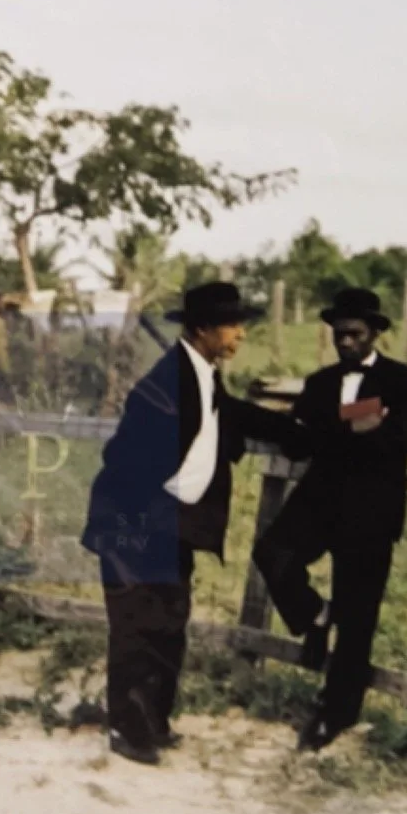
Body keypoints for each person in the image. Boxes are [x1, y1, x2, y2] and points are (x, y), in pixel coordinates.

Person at [80, 282, 302, 765]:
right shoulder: (163, 386)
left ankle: (154, 722)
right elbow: (121, 458)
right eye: (232, 325)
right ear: (203, 329)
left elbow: (231, 415)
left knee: (169, 625)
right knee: (136, 630)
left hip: (169, 527)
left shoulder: (202, 373)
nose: (241, 334)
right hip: (133, 525)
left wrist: (296, 430)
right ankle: (127, 729)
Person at [253, 286, 407, 752]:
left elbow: (402, 440)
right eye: (339, 335)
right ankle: (315, 615)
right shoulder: (320, 381)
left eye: (355, 335)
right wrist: (359, 421)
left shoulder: (402, 379)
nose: (346, 343)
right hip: (321, 499)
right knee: (271, 553)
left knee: (359, 614)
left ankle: (335, 714)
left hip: (371, 509)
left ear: (374, 334)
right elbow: (300, 439)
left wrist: (335, 425)